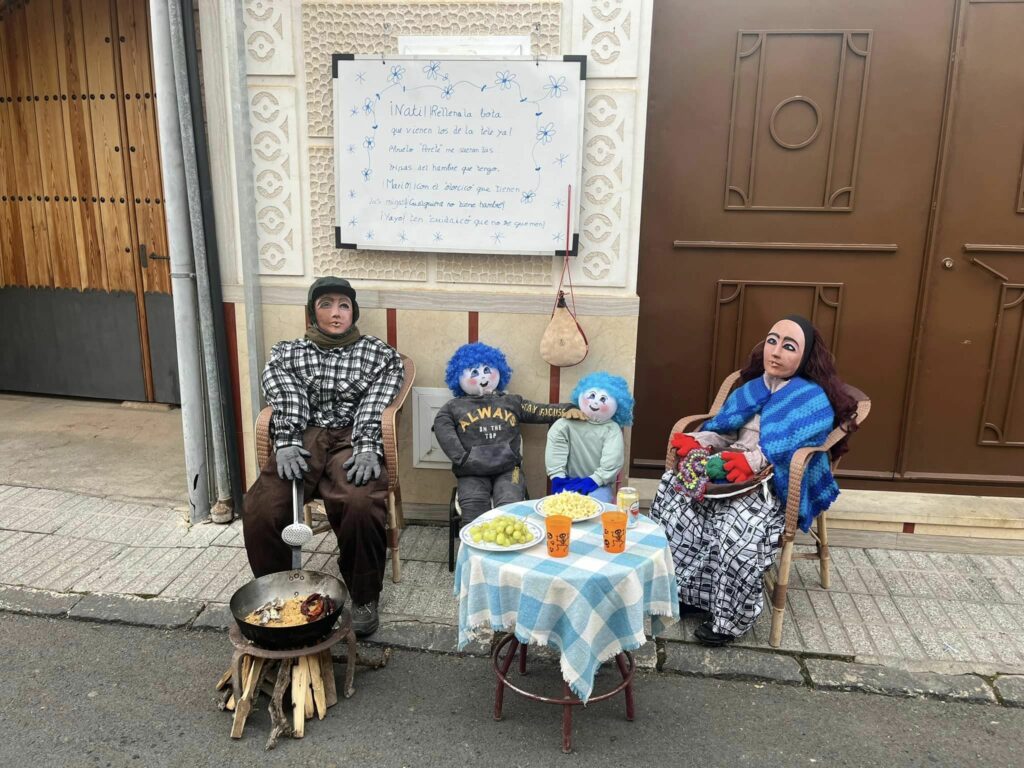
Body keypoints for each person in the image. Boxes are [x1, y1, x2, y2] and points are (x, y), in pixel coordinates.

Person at [649, 315, 857, 646]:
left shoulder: (811, 399)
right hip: (728, 472)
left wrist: (749, 462)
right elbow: (725, 430)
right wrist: (702, 442)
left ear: (805, 358)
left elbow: (788, 452)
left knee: (737, 531)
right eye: (772, 341)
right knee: (675, 503)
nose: (775, 352)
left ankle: (731, 620)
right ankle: (691, 594)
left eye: (789, 347)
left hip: (770, 485)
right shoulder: (751, 389)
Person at [242, 277, 404, 638]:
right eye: (326, 304)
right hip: (305, 433)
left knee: (360, 502)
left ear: (353, 312)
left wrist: (366, 447)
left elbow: (375, 405)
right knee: (262, 506)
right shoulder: (288, 353)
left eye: (343, 305)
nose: (335, 313)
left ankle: (364, 596)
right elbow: (286, 396)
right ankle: (278, 588)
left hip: (352, 435)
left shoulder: (380, 355)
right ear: (312, 312)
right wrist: (284, 440)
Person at [432, 342, 584, 527]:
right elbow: (442, 429)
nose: (483, 376)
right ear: (458, 378)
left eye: (487, 369)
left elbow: (540, 410)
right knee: (473, 510)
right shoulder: (453, 407)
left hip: (510, 470)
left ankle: (507, 551)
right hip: (471, 472)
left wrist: (568, 409)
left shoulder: (512, 402)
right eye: (474, 372)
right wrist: (462, 458)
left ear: (499, 371)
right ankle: (475, 552)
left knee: (510, 507)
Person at [545, 371, 633, 503]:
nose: (595, 402)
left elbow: (612, 462)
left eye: (603, 399)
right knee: (560, 509)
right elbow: (555, 454)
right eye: (592, 395)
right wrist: (558, 479)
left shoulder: (611, 429)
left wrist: (594, 481)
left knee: (595, 508)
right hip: (566, 481)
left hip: (598, 485)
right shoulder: (565, 424)